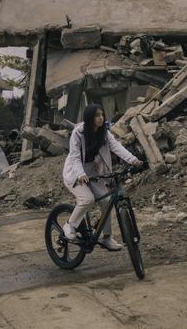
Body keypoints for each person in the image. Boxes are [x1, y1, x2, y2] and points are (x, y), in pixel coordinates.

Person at [61, 104, 143, 250]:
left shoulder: (104, 132)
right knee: (87, 199)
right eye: (97, 115)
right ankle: (70, 225)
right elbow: (74, 157)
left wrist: (133, 160)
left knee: (106, 202)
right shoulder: (78, 133)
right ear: (89, 117)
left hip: (93, 172)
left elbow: (117, 147)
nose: (101, 118)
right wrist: (80, 174)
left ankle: (107, 238)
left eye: (102, 115)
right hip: (75, 172)